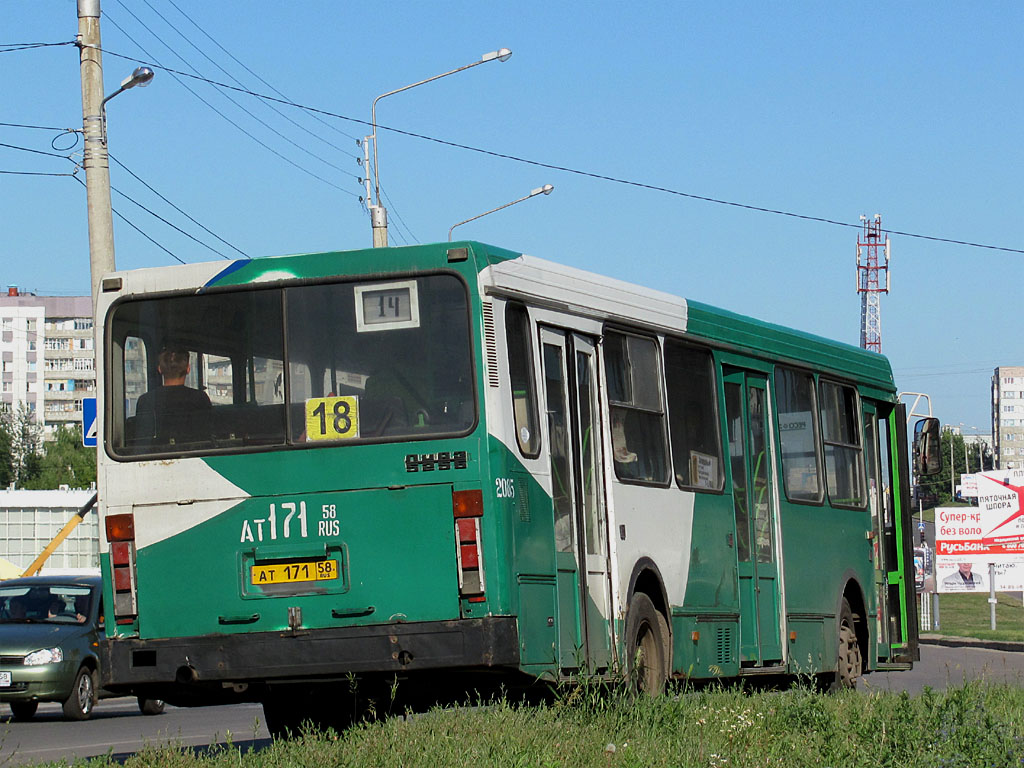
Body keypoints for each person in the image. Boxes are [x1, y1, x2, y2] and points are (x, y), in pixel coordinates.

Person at [133, 346, 212, 444]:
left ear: (159, 369)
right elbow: (208, 436)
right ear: (188, 369)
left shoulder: (145, 400)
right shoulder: (200, 398)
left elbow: (142, 439)